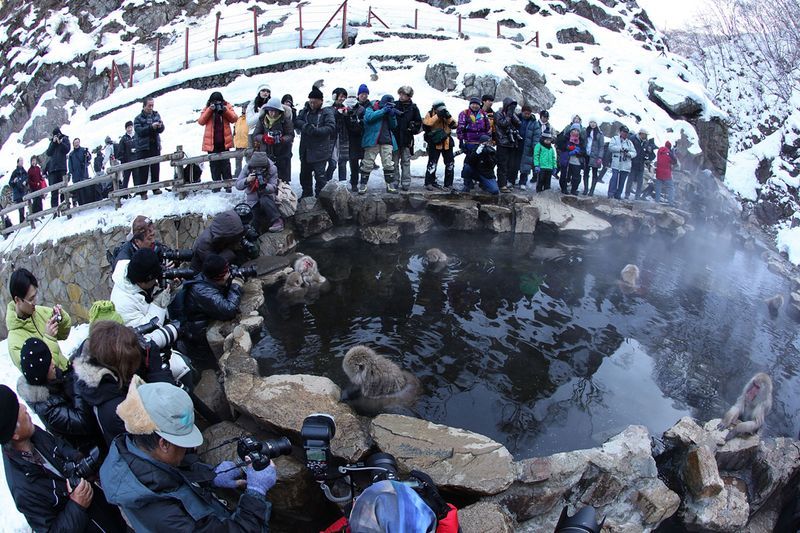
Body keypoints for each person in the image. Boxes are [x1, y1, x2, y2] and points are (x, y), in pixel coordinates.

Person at [99, 378, 276, 531]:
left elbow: (171, 475)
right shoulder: (167, 517)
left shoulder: (130, 449)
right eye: (182, 444)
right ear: (164, 444)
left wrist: (210, 476)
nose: (186, 450)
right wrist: (256, 493)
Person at [0, 385, 126, 532]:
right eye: (17, 410)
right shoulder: (23, 489)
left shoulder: (32, 432)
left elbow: (59, 445)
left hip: (107, 514)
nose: (24, 408)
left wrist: (77, 460)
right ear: (14, 434)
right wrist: (77, 505)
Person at [73, 320, 172, 445]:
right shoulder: (118, 408)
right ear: (123, 365)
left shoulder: (100, 376)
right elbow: (167, 420)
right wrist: (157, 371)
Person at [15, 337, 101, 453]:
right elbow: (83, 422)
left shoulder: (52, 381)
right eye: (50, 364)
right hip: (89, 450)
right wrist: (77, 377)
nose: (54, 364)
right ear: (42, 373)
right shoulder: (47, 408)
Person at [179, 255, 244, 370]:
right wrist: (236, 285)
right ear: (219, 277)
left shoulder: (206, 279)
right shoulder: (202, 291)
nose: (229, 273)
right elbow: (229, 310)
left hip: (202, 325)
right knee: (210, 368)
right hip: (198, 338)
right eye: (227, 272)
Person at [6, 267, 72, 371]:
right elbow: (41, 373)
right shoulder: (14, 342)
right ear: (17, 300)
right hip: (54, 386)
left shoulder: (39, 312)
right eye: (31, 299)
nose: (35, 302)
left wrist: (61, 319)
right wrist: (49, 338)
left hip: (68, 372)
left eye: (35, 296)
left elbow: (64, 335)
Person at [110, 248, 177, 327]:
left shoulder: (135, 272)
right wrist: (158, 304)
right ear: (145, 281)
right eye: (154, 278)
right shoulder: (124, 304)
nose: (156, 280)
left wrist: (170, 290)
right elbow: (147, 330)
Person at [296, 85, 336, 198]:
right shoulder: (305, 111)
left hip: (320, 151)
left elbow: (331, 127)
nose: (312, 104)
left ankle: (321, 197)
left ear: (321, 101)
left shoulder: (326, 112)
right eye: (310, 102)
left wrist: (317, 131)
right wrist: (305, 126)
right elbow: (297, 121)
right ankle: (306, 195)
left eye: (314, 102)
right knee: (304, 175)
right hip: (305, 150)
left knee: (320, 176)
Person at [235, 151, 283, 233]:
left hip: (268, 198)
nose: (258, 171)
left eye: (262, 169)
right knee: (253, 220)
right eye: (255, 169)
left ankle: (277, 221)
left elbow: (273, 187)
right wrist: (247, 180)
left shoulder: (272, 168)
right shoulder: (247, 168)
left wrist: (264, 185)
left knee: (264, 199)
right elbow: (237, 185)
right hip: (253, 200)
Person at [361, 94, 400, 194]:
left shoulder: (388, 110)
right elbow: (369, 118)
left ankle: (390, 184)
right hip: (372, 140)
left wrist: (392, 115)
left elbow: (394, 125)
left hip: (387, 140)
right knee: (367, 163)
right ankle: (363, 184)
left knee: (388, 163)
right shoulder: (371, 108)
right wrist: (383, 111)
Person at [198, 91, 238, 185]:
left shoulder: (226, 106)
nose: (216, 103)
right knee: (214, 165)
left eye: (218, 101)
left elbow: (234, 119)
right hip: (212, 142)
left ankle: (228, 185)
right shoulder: (207, 108)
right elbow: (201, 121)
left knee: (226, 164)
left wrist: (225, 110)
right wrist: (210, 110)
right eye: (214, 101)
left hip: (224, 141)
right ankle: (216, 186)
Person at [252, 96, 295, 183]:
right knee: (268, 179)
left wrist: (282, 139)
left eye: (275, 111)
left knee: (283, 180)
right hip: (266, 154)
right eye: (271, 110)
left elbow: (290, 135)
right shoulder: (262, 120)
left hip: (282, 154)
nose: (273, 113)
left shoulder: (285, 121)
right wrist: (264, 138)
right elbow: (256, 135)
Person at [422, 101, 457, 191]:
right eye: (439, 109)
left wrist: (448, 117)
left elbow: (454, 125)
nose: (441, 110)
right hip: (435, 142)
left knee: (450, 163)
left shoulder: (446, 114)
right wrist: (437, 116)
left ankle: (448, 184)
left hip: (447, 142)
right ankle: (429, 182)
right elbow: (427, 123)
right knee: (432, 163)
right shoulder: (430, 114)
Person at [393, 86, 422, 191]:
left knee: (405, 161)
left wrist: (413, 127)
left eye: (404, 94)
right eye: (400, 94)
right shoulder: (395, 105)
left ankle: (406, 183)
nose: (401, 96)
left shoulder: (413, 108)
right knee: (394, 161)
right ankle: (394, 181)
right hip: (395, 138)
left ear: (409, 96)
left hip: (407, 138)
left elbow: (419, 123)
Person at [133, 97, 165, 189]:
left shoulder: (156, 115)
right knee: (143, 171)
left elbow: (161, 130)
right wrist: (151, 127)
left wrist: (160, 126)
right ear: (144, 106)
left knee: (156, 168)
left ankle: (156, 188)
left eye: (152, 105)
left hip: (155, 146)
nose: (151, 107)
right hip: (143, 148)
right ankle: (142, 191)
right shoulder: (138, 118)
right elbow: (140, 131)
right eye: (149, 105)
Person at [345, 84, 370, 192]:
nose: (351, 99)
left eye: (353, 97)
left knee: (363, 163)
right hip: (348, 140)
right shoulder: (344, 109)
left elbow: (364, 125)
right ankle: (354, 183)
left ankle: (363, 183)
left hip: (360, 139)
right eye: (349, 97)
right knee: (353, 163)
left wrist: (356, 122)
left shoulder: (361, 109)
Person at [494, 97, 522, 192]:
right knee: (502, 165)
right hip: (502, 143)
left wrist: (512, 113)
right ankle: (502, 184)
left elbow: (519, 123)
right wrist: (509, 115)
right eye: (510, 106)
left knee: (510, 165)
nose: (511, 108)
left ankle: (506, 182)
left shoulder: (510, 114)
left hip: (511, 143)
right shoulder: (498, 114)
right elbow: (503, 124)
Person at [326, 88, 350, 183]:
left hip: (343, 138)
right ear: (335, 96)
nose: (342, 98)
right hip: (332, 139)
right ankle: (326, 182)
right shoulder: (329, 108)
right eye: (341, 96)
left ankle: (342, 184)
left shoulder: (346, 108)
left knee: (343, 162)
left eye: (344, 97)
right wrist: (337, 113)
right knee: (332, 163)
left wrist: (347, 115)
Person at [608, 125, 637, 199]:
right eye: (623, 132)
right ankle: (611, 193)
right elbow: (610, 147)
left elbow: (634, 152)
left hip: (625, 164)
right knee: (614, 179)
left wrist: (628, 154)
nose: (625, 134)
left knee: (622, 181)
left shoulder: (629, 143)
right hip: (616, 162)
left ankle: (618, 194)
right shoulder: (614, 139)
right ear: (620, 132)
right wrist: (620, 149)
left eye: (626, 132)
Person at [625, 128, 655, 200]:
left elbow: (650, 155)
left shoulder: (646, 142)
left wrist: (649, 152)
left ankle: (637, 196)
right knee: (630, 179)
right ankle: (627, 194)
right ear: (641, 134)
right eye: (645, 135)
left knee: (640, 181)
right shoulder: (633, 139)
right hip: (633, 163)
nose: (646, 136)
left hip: (641, 164)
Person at [517, 105, 542, 191]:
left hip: (528, 147)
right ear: (522, 112)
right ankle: (511, 180)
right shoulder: (517, 118)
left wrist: (535, 147)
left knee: (526, 166)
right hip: (517, 145)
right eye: (525, 113)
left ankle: (523, 182)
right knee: (514, 164)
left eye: (528, 113)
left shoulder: (534, 122)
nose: (527, 115)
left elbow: (537, 136)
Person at [45, 127, 70, 208]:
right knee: (54, 191)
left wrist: (60, 143)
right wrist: (53, 142)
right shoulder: (52, 142)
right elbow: (48, 153)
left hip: (62, 168)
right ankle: (54, 210)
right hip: (53, 169)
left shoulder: (65, 139)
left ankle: (65, 206)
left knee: (64, 189)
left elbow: (67, 149)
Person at [68, 138, 96, 206]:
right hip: (76, 175)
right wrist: (72, 172)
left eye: (77, 142)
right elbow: (70, 166)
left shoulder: (83, 150)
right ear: (73, 144)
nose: (76, 144)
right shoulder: (71, 154)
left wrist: (87, 156)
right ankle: (81, 204)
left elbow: (89, 158)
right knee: (79, 191)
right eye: (75, 143)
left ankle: (87, 203)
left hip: (84, 173)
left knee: (86, 188)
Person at [654, 140, 678, 205]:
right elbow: (675, 161)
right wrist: (672, 153)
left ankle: (657, 201)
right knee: (670, 187)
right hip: (667, 173)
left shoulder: (660, 151)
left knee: (658, 187)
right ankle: (671, 202)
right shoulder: (669, 152)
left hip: (659, 172)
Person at [585, 120, 605, 196]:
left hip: (595, 156)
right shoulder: (586, 131)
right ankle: (586, 189)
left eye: (594, 122)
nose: (593, 124)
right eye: (591, 122)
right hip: (587, 154)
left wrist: (600, 156)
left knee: (594, 173)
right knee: (586, 172)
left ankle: (592, 190)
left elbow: (601, 146)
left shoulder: (600, 133)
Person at [116, 120, 137, 189]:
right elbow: (119, 152)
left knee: (137, 178)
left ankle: (138, 192)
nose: (130, 129)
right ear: (126, 129)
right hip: (127, 162)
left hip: (136, 161)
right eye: (128, 127)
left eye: (131, 127)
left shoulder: (136, 136)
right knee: (126, 179)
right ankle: (124, 194)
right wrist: (124, 159)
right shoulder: (123, 139)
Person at [9, 157, 28, 222]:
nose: (22, 162)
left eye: (22, 161)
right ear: (18, 162)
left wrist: (26, 181)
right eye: (21, 161)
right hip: (17, 193)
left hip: (23, 191)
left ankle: (23, 220)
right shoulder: (14, 172)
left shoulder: (24, 171)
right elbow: (10, 183)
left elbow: (27, 178)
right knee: (20, 208)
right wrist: (13, 181)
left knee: (24, 207)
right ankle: (22, 221)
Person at [233, 104, 249, 177]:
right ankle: (237, 175)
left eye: (245, 108)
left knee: (249, 162)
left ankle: (249, 174)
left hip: (247, 144)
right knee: (238, 162)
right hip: (238, 144)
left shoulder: (250, 118)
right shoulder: (238, 119)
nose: (244, 109)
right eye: (243, 108)